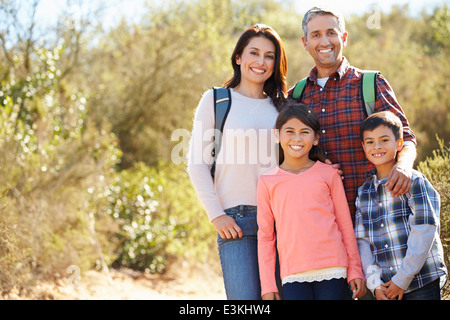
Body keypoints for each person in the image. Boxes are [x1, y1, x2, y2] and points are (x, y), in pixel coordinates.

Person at [187, 24, 288, 300]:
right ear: (238, 57)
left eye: (269, 56)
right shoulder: (217, 100)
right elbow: (196, 162)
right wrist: (216, 214)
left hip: (281, 221)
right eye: (253, 53)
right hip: (236, 221)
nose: (261, 61)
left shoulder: (283, 107)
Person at [290, 6, 417, 221]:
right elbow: (287, 155)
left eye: (331, 32)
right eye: (316, 35)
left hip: (376, 218)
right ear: (305, 43)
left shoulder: (370, 84)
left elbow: (405, 135)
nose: (324, 41)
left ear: (344, 37)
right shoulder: (296, 96)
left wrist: (404, 166)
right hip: (320, 221)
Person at [257, 101, 366, 300]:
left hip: (333, 268)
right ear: (277, 135)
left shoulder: (329, 174)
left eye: (304, 132)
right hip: (293, 273)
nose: (296, 138)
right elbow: (265, 237)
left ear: (315, 138)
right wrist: (267, 284)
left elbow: (345, 226)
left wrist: (355, 269)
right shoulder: (267, 181)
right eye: (289, 131)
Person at [355, 111, 448, 300]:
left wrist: (402, 279)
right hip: (386, 287)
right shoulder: (363, 192)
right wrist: (374, 283)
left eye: (384, 140)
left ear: (399, 143)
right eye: (370, 142)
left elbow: (425, 230)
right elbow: (362, 240)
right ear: (363, 146)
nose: (377, 146)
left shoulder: (414, 181)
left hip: (421, 282)